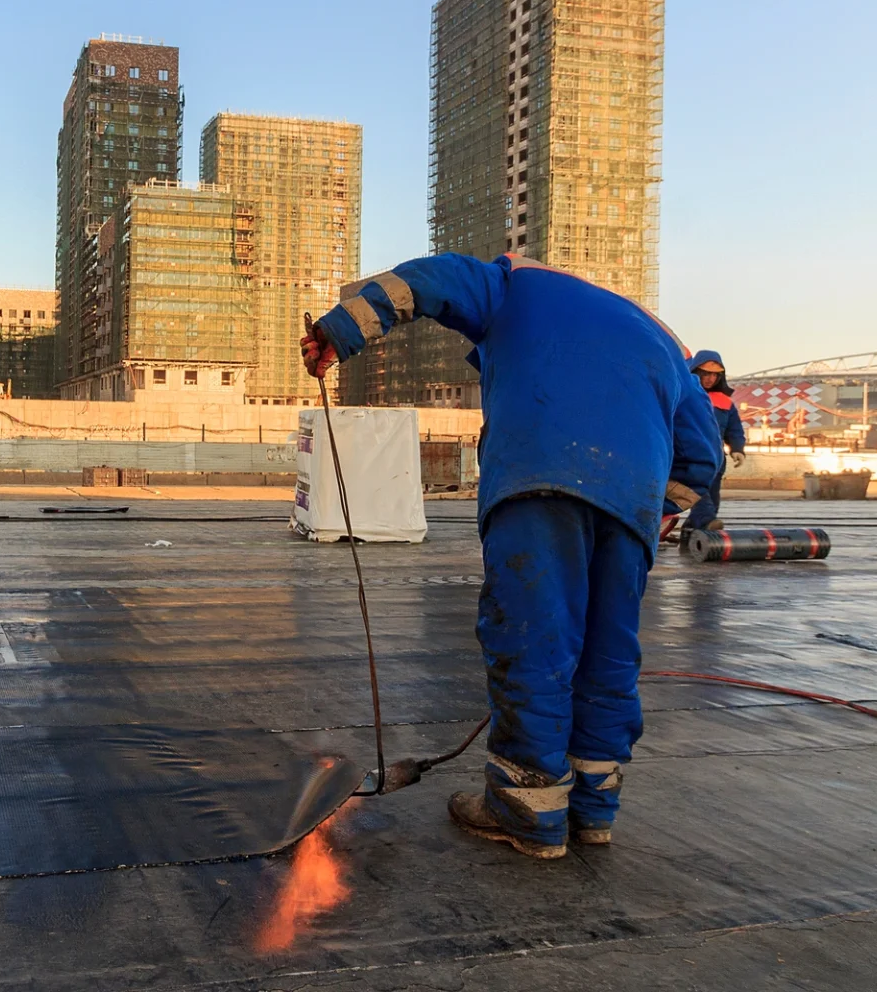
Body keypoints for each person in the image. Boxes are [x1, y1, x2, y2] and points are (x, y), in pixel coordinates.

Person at [302, 252, 721, 860]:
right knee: (607, 654)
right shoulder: (658, 339)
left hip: (540, 477)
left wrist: (337, 333)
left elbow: (422, 283)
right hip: (630, 504)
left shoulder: (513, 283)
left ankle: (527, 809)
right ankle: (592, 812)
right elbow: (702, 457)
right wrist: (653, 514)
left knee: (533, 640)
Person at [681, 350, 746, 534]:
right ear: (695, 372)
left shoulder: (725, 402)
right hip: (691, 456)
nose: (710, 378)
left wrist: (737, 448)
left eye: (715, 374)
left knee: (713, 496)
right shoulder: (685, 397)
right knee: (701, 493)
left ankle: (692, 531)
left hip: (717, 459)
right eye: (706, 373)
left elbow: (734, 428)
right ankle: (706, 520)